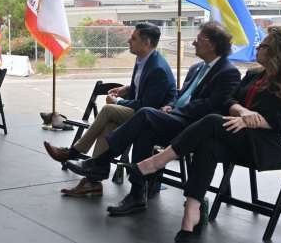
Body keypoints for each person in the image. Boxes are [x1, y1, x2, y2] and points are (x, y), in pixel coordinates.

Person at [127, 26, 281, 242]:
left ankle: (155, 162)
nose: (257, 47)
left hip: (276, 146)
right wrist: (243, 112)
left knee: (211, 121)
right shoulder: (255, 74)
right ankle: (190, 217)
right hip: (245, 138)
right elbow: (229, 101)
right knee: (207, 145)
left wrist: (251, 121)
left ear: (278, 50)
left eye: (263, 45)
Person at [65, 22, 241, 214]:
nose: (193, 43)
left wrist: (176, 111)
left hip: (194, 127)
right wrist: (171, 106)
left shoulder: (228, 72)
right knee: (145, 130)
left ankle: (100, 162)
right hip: (177, 117)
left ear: (211, 44)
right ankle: (137, 194)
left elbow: (211, 106)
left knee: (146, 113)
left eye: (197, 40)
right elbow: (182, 94)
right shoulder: (197, 68)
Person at [43, 22, 177, 197]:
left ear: (147, 43)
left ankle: (72, 153)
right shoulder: (143, 59)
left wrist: (119, 101)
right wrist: (127, 89)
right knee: (108, 125)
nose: (129, 40)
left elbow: (146, 106)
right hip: (141, 111)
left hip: (152, 118)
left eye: (133, 38)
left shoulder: (157, 68)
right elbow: (141, 87)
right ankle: (93, 181)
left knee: (108, 110)